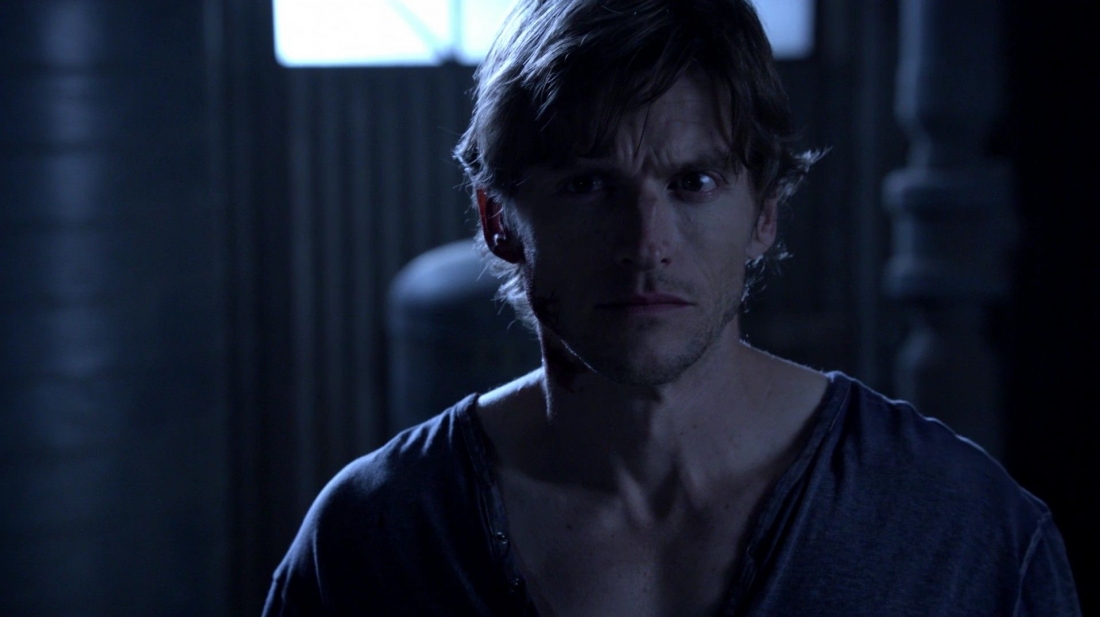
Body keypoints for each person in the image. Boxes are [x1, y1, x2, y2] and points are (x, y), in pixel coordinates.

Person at [263, 1, 1082, 615]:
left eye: (694, 182)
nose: (645, 241)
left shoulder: (955, 529)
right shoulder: (373, 540)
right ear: (498, 220)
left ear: (764, 213)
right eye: (589, 185)